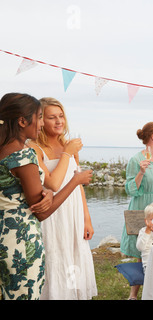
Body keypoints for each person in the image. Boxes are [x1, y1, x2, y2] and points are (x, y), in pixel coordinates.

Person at [0, 92, 92, 300]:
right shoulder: (24, 154)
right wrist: (73, 181)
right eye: (40, 117)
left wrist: (50, 194)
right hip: (22, 236)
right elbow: (43, 210)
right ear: (23, 121)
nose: (41, 123)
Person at [28, 97, 97, 300]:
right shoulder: (34, 148)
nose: (59, 121)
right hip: (52, 215)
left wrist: (87, 218)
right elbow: (51, 184)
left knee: (74, 256)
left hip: (73, 213)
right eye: (51, 117)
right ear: (40, 120)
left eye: (61, 116)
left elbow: (78, 187)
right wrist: (67, 153)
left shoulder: (67, 146)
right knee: (54, 255)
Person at [121, 121, 153, 300]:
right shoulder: (135, 160)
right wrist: (140, 172)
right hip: (141, 209)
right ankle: (133, 295)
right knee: (142, 252)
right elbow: (130, 190)